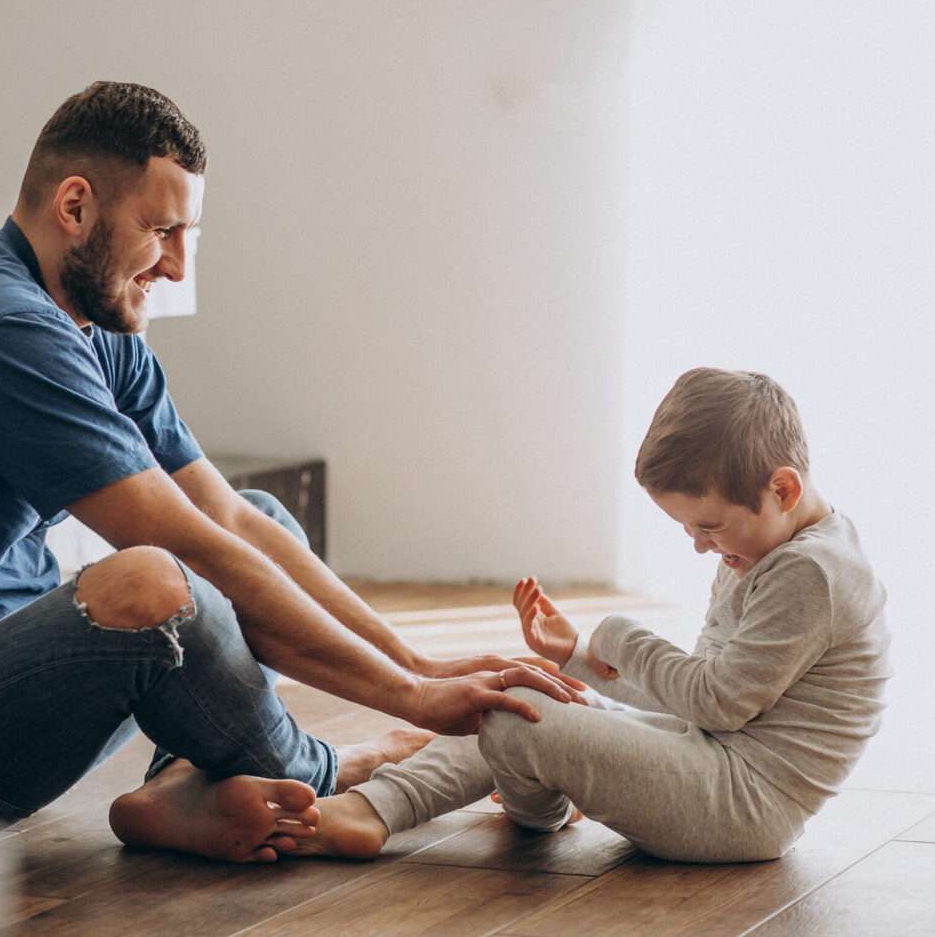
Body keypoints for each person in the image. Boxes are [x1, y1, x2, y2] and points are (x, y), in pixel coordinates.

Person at [0, 81, 582, 862]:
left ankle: (182, 787)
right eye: (161, 231)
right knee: (152, 584)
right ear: (76, 205)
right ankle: (329, 777)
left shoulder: (93, 324)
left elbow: (231, 523)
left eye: (190, 236)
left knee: (260, 515)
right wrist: (409, 701)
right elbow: (185, 551)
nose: (178, 266)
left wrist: (421, 665)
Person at [293, 367, 892, 863]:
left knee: (513, 723)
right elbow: (695, 706)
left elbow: (717, 704)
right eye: (688, 529)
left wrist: (616, 637)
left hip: (745, 802)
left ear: (783, 490)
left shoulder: (810, 573)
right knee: (523, 689)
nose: (700, 546)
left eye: (708, 526)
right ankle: (400, 804)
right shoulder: (760, 547)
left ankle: (499, 803)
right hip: (714, 755)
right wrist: (578, 657)